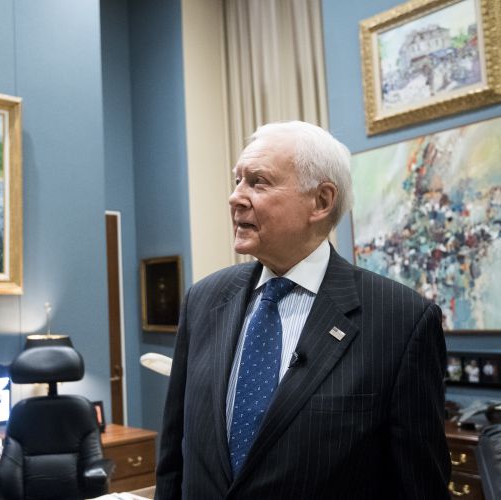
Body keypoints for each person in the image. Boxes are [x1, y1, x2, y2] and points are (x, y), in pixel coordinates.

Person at [155, 121, 451, 499]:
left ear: (321, 201)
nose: (235, 197)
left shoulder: (400, 320)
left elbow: (420, 486)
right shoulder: (204, 300)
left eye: (258, 181)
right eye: (237, 180)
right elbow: (172, 459)